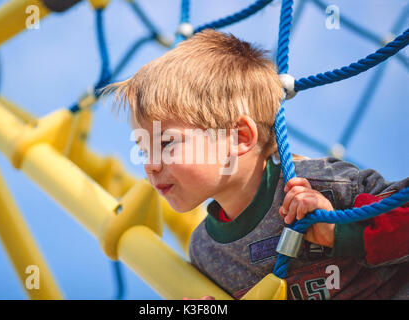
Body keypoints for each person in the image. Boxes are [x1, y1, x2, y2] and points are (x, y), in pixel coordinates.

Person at [104, 29, 408, 300]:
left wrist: (341, 231)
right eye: (144, 150)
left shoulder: (322, 186)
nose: (150, 166)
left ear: (239, 137)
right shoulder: (206, 252)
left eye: (167, 143)